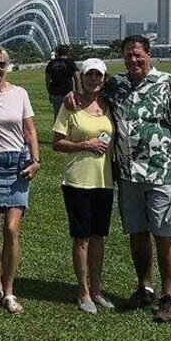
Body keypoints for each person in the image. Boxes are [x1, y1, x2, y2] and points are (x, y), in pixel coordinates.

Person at [106, 35, 171, 324]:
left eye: (138, 55)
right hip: (127, 175)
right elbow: (89, 91)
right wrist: (74, 95)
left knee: (164, 233)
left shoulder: (168, 85)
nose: (133, 60)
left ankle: (169, 296)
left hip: (162, 173)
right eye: (128, 55)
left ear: (148, 55)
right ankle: (144, 286)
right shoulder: (116, 85)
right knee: (137, 232)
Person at [0, 45, 41, 315]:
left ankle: (9, 291)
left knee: (11, 229)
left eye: (1, 64)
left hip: (17, 165)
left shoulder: (20, 94)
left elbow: (30, 130)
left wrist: (36, 161)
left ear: (7, 66)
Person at [52, 58, 116, 314]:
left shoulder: (109, 104)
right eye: (90, 75)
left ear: (104, 78)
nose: (94, 80)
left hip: (104, 180)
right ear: (82, 76)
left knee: (99, 237)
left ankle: (97, 289)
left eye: (98, 76)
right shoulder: (71, 105)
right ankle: (83, 292)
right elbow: (57, 143)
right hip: (77, 180)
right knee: (82, 238)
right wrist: (84, 145)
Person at [45, 44, 80, 118]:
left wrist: (50, 93)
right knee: (70, 116)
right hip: (68, 94)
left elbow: (47, 80)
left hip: (55, 93)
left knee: (58, 117)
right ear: (68, 52)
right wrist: (78, 92)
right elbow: (77, 78)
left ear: (57, 52)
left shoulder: (51, 63)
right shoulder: (69, 62)